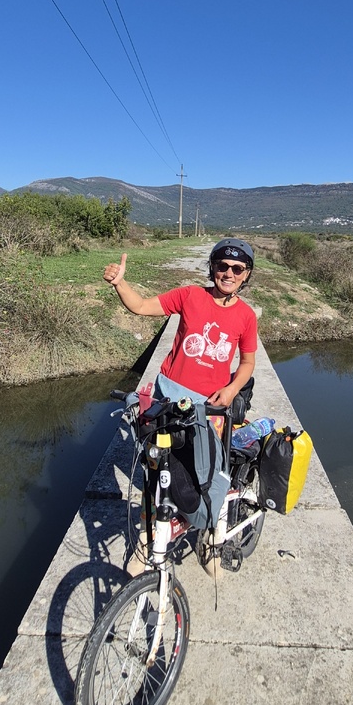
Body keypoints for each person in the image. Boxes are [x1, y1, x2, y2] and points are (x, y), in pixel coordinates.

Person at [103, 238, 258, 577]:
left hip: (211, 408)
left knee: (210, 475)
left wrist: (232, 390)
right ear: (212, 268)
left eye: (237, 269)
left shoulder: (246, 316)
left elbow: (247, 362)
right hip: (168, 398)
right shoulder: (190, 295)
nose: (228, 273)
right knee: (157, 475)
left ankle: (209, 540)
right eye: (222, 266)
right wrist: (120, 284)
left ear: (246, 275)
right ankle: (148, 541)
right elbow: (141, 306)